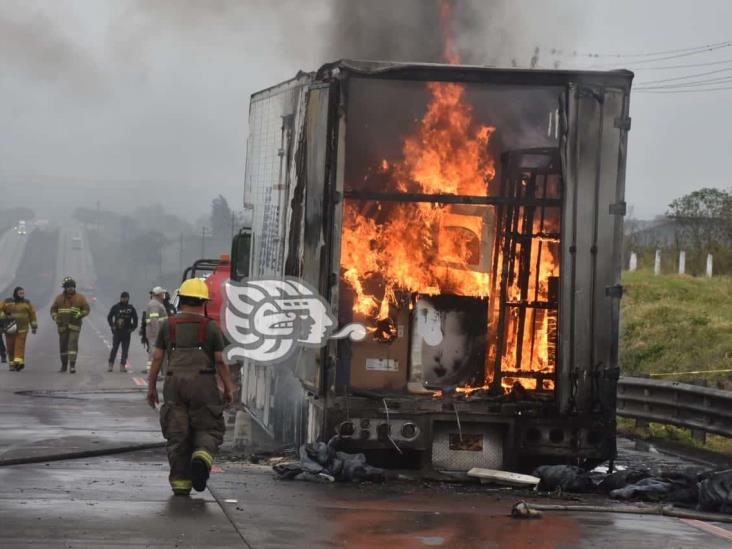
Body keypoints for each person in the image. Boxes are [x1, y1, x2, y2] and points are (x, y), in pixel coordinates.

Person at [146, 278, 236, 496]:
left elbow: (157, 357)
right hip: (203, 384)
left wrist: (151, 387)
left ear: (181, 300)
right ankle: (202, 456)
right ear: (203, 302)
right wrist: (229, 387)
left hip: (174, 383)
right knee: (208, 427)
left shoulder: (169, 325)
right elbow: (220, 361)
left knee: (177, 433)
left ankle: (180, 484)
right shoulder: (211, 328)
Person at [50, 277, 90, 373]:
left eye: (72, 287)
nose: (70, 288)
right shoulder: (59, 298)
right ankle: (64, 365)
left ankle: (72, 366)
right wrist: (56, 318)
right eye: (68, 287)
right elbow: (53, 310)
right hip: (62, 326)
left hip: (75, 326)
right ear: (65, 288)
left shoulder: (80, 298)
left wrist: (80, 314)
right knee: (63, 346)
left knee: (72, 345)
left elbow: (87, 309)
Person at [1, 287, 37, 371]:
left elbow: (32, 315)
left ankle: (19, 363)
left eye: (23, 293)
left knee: (19, 346)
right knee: (10, 347)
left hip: (22, 329)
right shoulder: (7, 302)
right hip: (10, 329)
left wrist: (34, 326)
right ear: (15, 293)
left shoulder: (27, 303)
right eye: (20, 293)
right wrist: (3, 316)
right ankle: (12, 364)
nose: (22, 295)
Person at [107, 291, 138, 372]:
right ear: (121, 298)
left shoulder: (131, 308)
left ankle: (122, 366)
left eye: (126, 298)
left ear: (128, 298)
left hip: (126, 332)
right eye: (123, 298)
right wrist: (112, 326)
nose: (125, 299)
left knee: (125, 350)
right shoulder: (116, 307)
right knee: (114, 348)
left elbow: (135, 319)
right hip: (117, 331)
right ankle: (111, 365)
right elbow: (109, 317)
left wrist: (132, 328)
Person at [144, 286, 168, 373]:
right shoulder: (154, 304)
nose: (163, 296)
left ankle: (163, 373)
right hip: (155, 334)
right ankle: (152, 373)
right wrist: (158, 334)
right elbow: (154, 320)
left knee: (159, 354)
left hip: (157, 334)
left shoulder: (156, 304)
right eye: (162, 294)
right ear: (158, 295)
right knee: (154, 354)